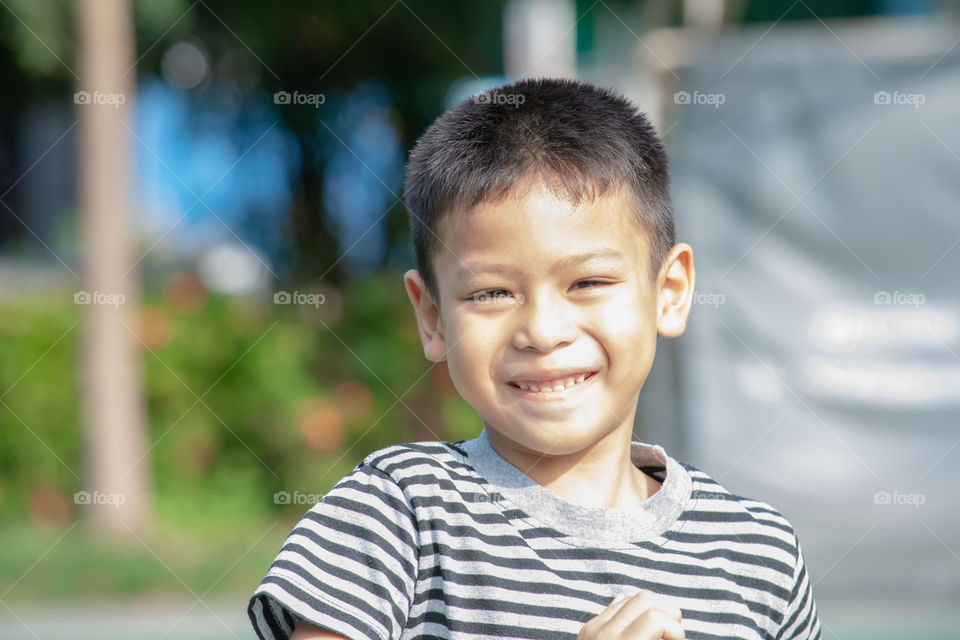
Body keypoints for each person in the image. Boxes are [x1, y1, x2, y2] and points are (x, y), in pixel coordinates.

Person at [248, 77, 822, 640]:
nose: (543, 333)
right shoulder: (397, 515)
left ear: (669, 292)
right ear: (432, 318)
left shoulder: (759, 554)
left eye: (589, 281)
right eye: (491, 293)